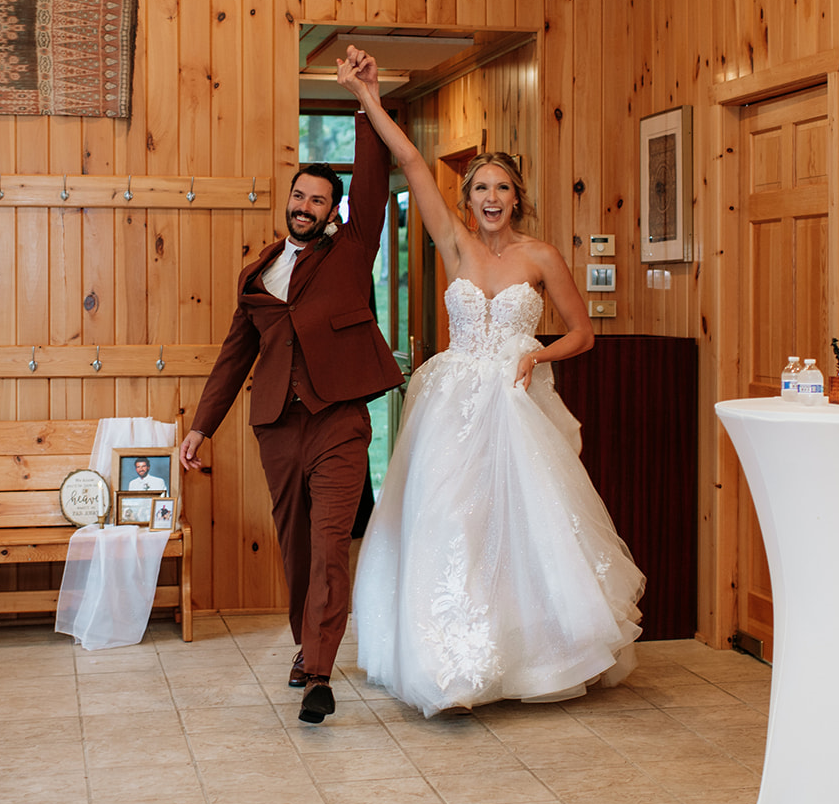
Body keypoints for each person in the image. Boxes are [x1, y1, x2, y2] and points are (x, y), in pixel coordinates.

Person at [340, 48, 645, 717]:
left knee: (526, 528)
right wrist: (369, 96)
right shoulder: (453, 243)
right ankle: (454, 660)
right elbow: (413, 163)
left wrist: (536, 356)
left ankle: (529, 657)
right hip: (453, 406)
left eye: (502, 188)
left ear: (516, 197)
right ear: (467, 197)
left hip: (515, 402)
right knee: (452, 521)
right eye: (481, 188)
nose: (491, 199)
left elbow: (582, 334)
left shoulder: (540, 256)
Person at [177, 46, 404, 725]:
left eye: (317, 199)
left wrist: (367, 99)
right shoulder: (258, 274)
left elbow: (373, 176)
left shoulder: (352, 250)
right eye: (299, 195)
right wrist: (199, 425)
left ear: (333, 212)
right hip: (276, 426)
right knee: (296, 546)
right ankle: (306, 645)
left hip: (338, 421)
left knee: (333, 542)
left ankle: (321, 674)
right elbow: (232, 355)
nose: (304, 205)